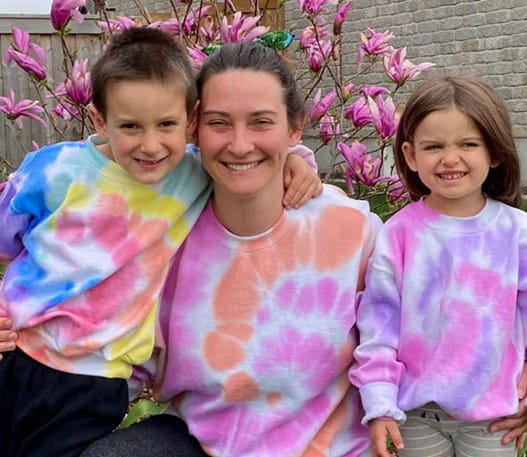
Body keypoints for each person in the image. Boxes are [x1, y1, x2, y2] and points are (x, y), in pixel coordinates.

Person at [0, 28, 319, 457]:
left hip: (94, 381)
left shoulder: (190, 174)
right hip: (15, 352)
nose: (150, 146)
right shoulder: (52, 172)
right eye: (129, 126)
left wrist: (299, 164)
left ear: (190, 119)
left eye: (166, 125)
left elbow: (253, 159)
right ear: (99, 120)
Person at [79, 40, 382, 457]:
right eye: (220, 123)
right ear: (194, 126)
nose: (239, 145)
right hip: (202, 443)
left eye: (261, 122)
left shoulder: (353, 231)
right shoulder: (162, 230)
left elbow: (414, 332)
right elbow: (94, 335)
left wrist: (503, 383)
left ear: (294, 128)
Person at [349, 75, 527, 457]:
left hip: (492, 415)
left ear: (493, 152)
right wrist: (379, 403)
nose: (450, 158)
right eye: (434, 146)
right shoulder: (397, 235)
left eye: (468, 144)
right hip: (415, 416)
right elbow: (378, 328)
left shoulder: (517, 233)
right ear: (411, 155)